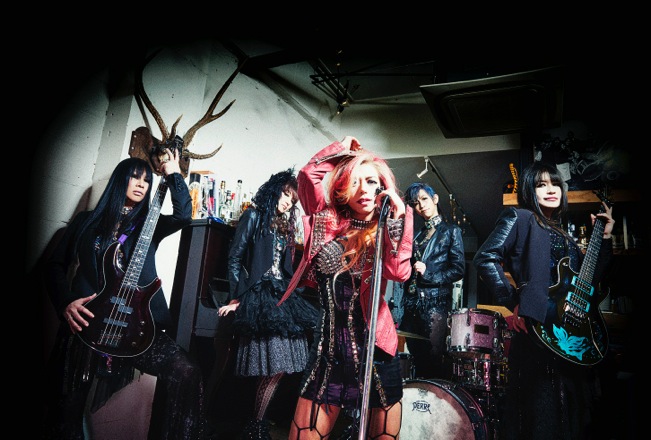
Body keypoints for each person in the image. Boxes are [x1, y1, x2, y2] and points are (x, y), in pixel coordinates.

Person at [43, 149, 207, 439]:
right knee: (65, 413)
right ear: (121, 179)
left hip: (135, 325)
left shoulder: (150, 225)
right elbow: (55, 264)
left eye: (146, 180)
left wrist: (173, 173)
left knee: (186, 371)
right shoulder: (86, 221)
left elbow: (183, 216)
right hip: (87, 323)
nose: (142, 184)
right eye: (135, 177)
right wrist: (66, 302)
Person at [279, 136, 414, 440]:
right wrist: (342, 150)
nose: (363, 189)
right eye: (354, 182)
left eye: (371, 181)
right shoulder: (328, 218)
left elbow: (399, 272)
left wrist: (397, 220)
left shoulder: (390, 225)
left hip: (376, 353)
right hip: (329, 352)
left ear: (383, 188)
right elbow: (308, 175)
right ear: (343, 186)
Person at [473, 161, 615, 439]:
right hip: (538, 331)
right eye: (541, 185)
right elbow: (485, 258)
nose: (551, 190)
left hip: (573, 338)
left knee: (575, 420)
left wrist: (605, 237)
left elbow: (587, 284)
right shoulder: (519, 217)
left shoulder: (565, 236)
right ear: (530, 190)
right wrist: (515, 302)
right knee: (541, 417)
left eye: (555, 184)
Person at [216, 169, 319, 439]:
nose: (287, 202)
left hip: (279, 295)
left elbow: (284, 269)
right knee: (272, 365)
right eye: (285, 195)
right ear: (274, 190)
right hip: (257, 294)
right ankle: (256, 425)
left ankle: (256, 423)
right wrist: (237, 297)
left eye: (292, 200)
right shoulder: (253, 215)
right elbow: (235, 258)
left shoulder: (284, 226)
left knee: (280, 366)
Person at [398, 182, 465, 380]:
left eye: (424, 199)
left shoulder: (451, 231)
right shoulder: (417, 235)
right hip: (411, 306)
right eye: (416, 203)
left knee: (434, 362)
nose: (421, 205)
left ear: (435, 199)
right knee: (416, 360)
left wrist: (428, 274)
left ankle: (434, 397)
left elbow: (458, 270)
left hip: (435, 306)